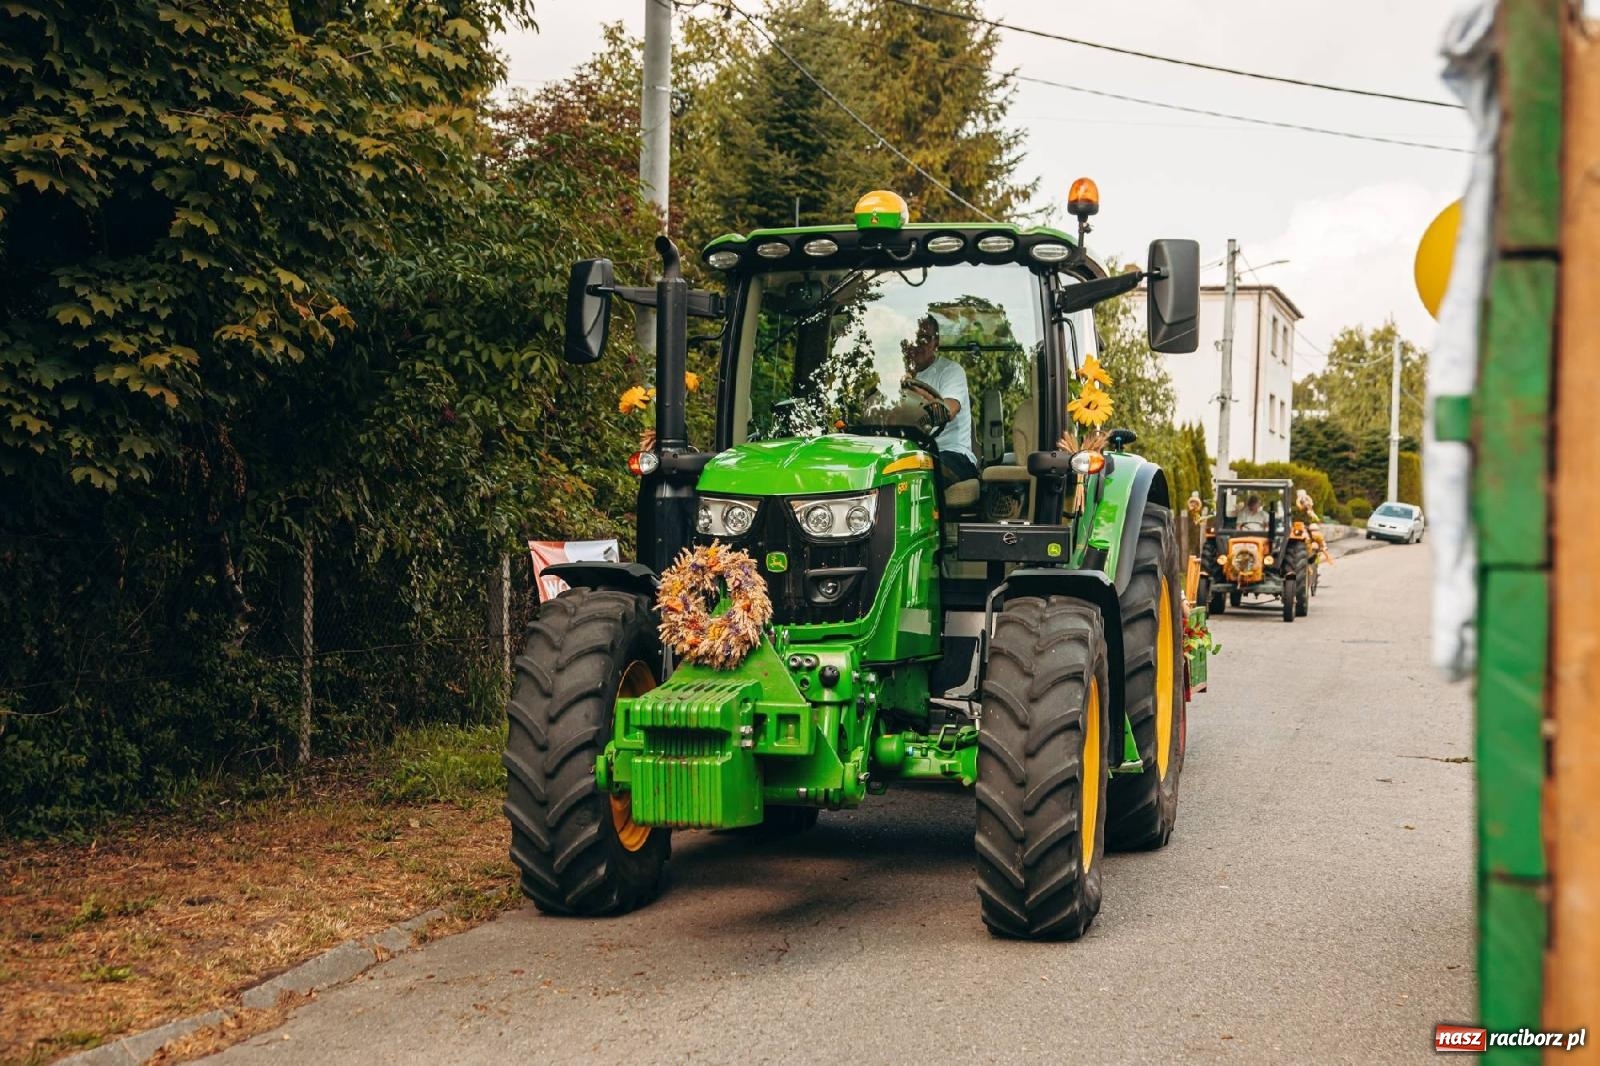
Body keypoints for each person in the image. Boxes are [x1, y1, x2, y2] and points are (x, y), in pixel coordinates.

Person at [900, 314, 978, 487]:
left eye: (924, 339)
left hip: (953, 454)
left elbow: (948, 410)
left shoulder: (951, 371)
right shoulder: (895, 373)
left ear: (936, 342)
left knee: (918, 476)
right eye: (912, 338)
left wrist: (911, 386)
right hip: (910, 454)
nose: (916, 345)